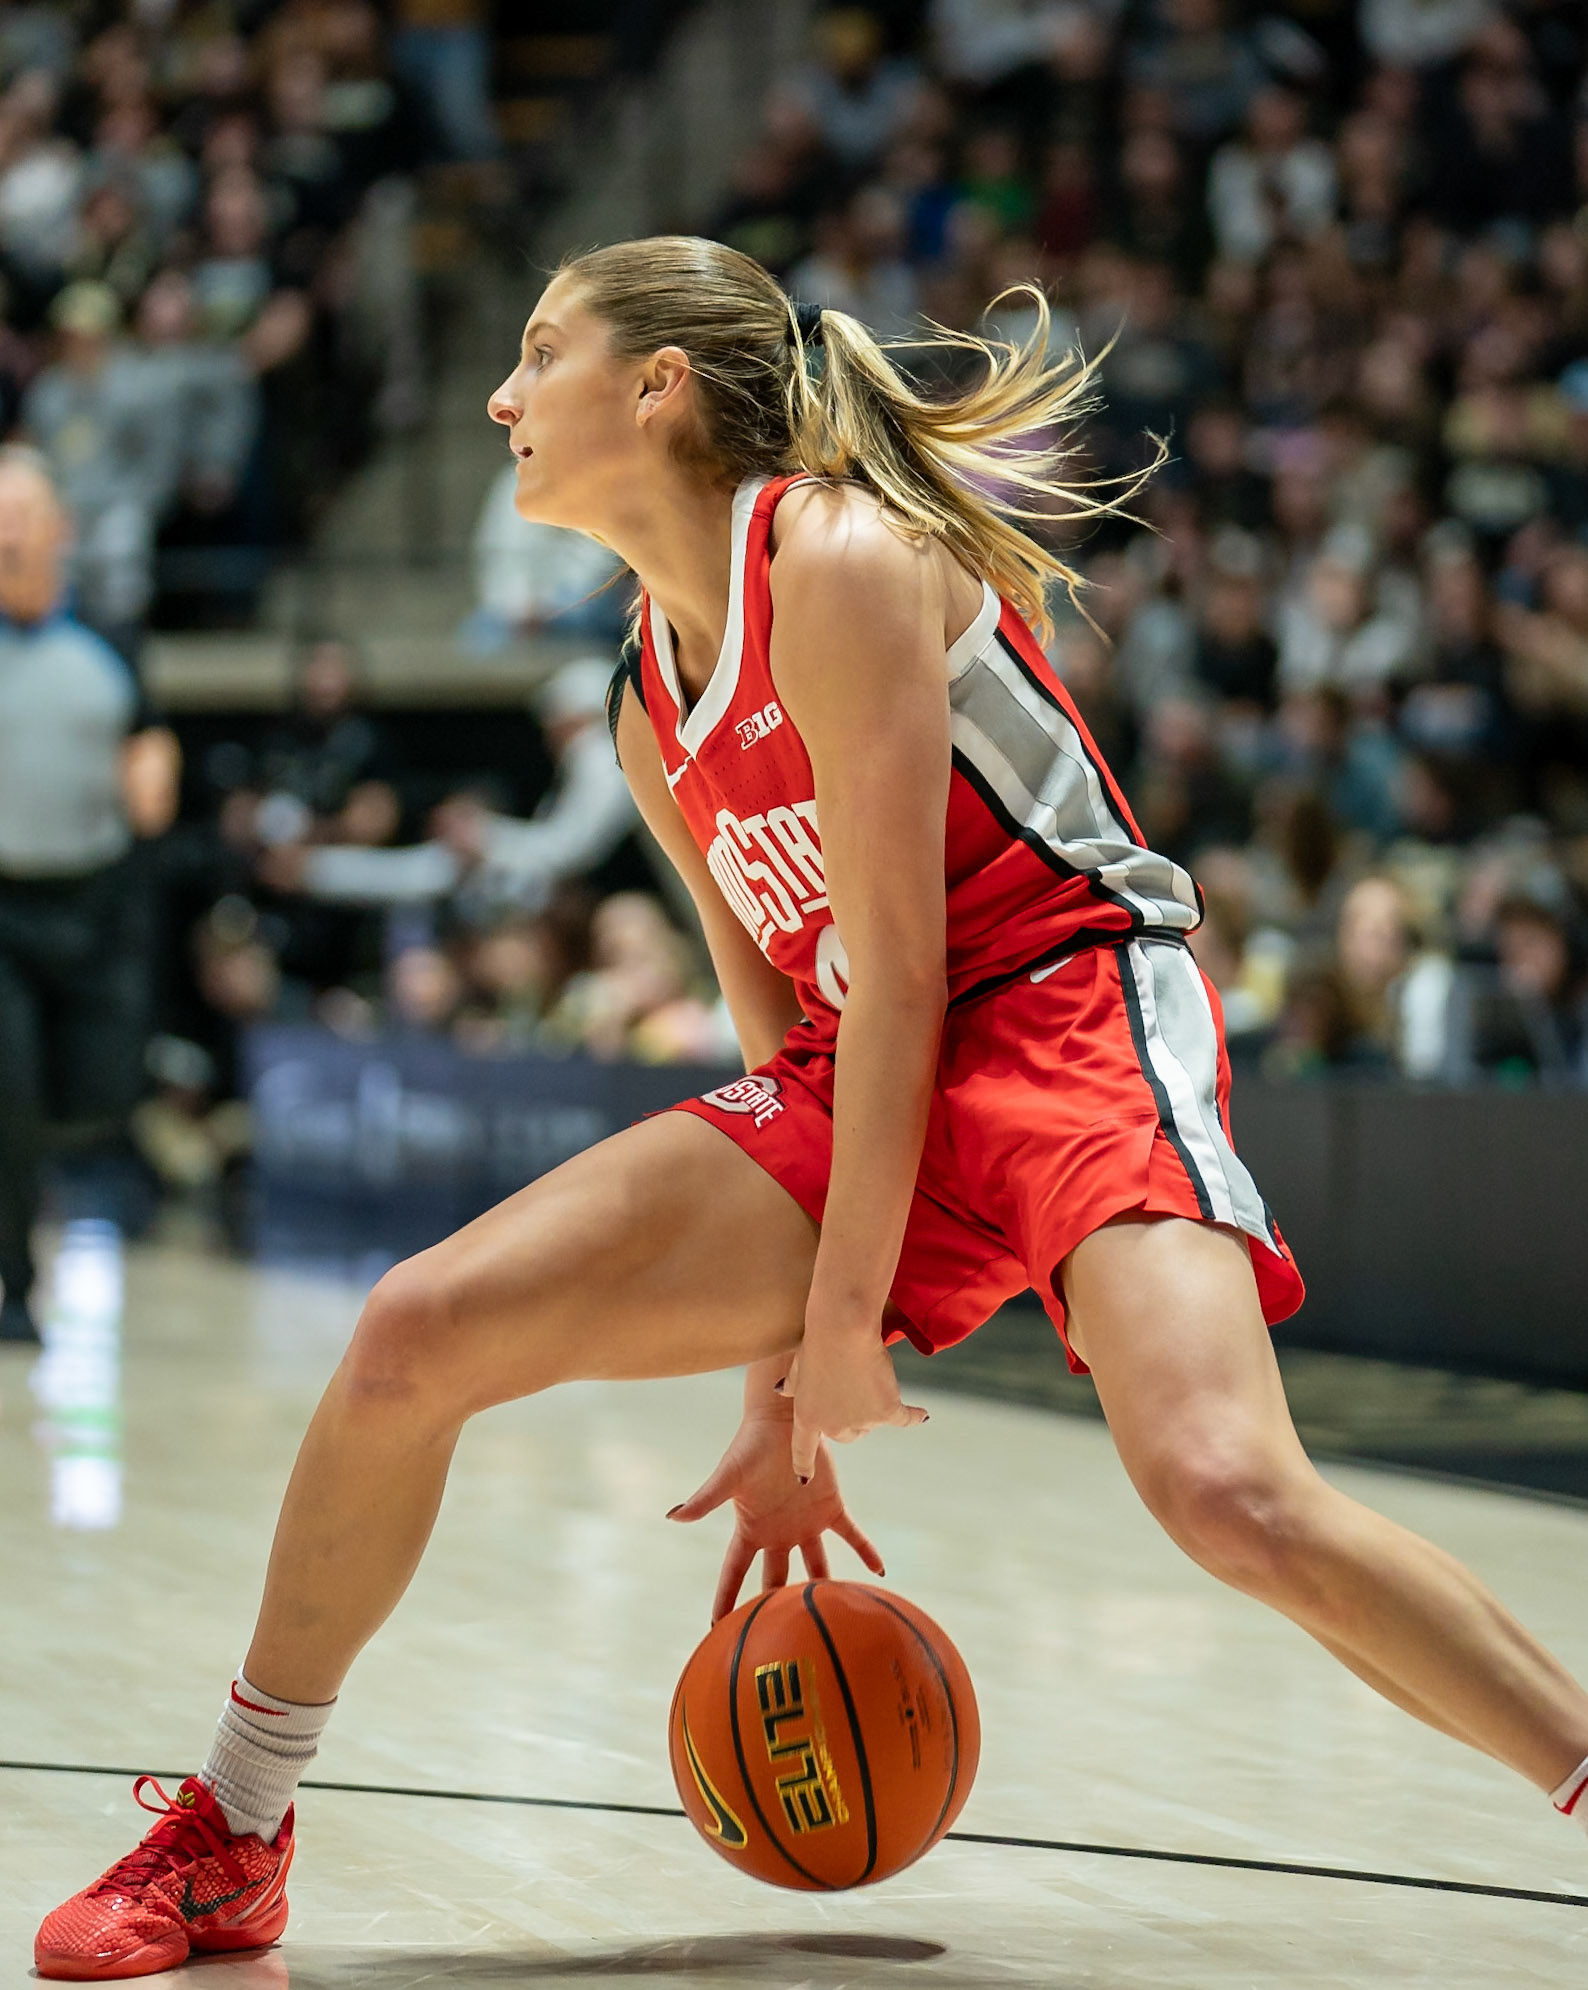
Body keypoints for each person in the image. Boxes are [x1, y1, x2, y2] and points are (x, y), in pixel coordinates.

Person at [34, 237, 1588, 1980]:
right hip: (873, 1060)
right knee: (411, 1333)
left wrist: (841, 1330)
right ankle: (234, 1831)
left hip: (1061, 1010)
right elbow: (791, 1038)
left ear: (656, 386)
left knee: (1223, 1489)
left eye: (535, 351)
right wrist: (776, 1388)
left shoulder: (838, 557)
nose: (497, 396)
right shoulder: (645, 695)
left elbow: (916, 977)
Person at [0, 447, 178, 1347]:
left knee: (98, 1095)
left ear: (59, 527)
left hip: (92, 901)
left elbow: (146, 735)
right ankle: (15, 1290)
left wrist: (153, 772)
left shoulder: (110, 635)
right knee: (11, 1095)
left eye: (22, 510)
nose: (7, 528)